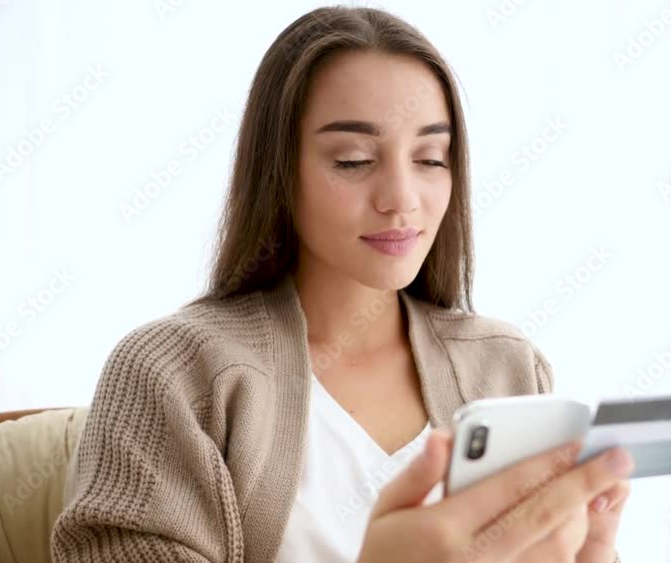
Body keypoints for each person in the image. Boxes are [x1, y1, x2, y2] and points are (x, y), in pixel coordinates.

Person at [50, 6, 633, 562]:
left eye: (431, 158)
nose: (402, 199)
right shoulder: (173, 372)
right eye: (353, 160)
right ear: (278, 171)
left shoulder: (507, 368)